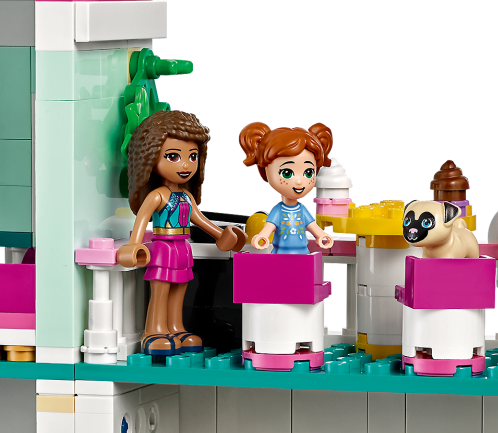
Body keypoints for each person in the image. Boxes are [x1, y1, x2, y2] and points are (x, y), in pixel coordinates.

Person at [118, 110, 246, 355]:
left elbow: (201, 220)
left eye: (192, 156)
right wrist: (134, 244)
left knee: (180, 289)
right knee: (160, 290)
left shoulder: (186, 196)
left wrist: (222, 235)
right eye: (173, 156)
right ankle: (154, 331)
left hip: (182, 248)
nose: (186, 165)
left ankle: (176, 328)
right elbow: (142, 220)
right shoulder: (157, 195)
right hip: (162, 247)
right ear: (151, 158)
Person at [238, 121, 337, 254]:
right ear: (266, 172)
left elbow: (312, 226)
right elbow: (270, 227)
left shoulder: (302, 210)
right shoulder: (278, 210)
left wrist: (321, 235)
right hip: (280, 254)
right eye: (287, 173)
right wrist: (262, 236)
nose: (299, 181)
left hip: (303, 253)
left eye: (308, 172)